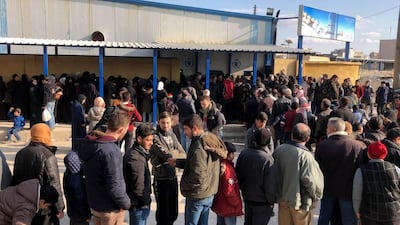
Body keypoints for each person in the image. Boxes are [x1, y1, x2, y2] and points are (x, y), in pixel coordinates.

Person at [78, 110, 131, 225]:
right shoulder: (111, 151)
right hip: (110, 208)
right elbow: (114, 185)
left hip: (95, 204)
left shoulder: (92, 145)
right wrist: (126, 203)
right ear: (122, 129)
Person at [177, 114, 227, 225]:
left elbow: (198, 174)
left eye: (186, 129)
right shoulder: (209, 139)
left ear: (194, 129)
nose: (184, 133)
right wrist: (177, 162)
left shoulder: (198, 147)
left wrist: (184, 184)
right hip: (208, 193)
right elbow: (199, 164)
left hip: (198, 195)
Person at [13, 123, 65, 225]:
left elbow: (15, 178)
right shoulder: (48, 156)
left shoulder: (21, 153)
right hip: (44, 206)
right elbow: (54, 184)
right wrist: (59, 207)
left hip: (24, 203)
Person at [315, 117, 364, 225]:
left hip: (328, 188)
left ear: (332, 129)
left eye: (327, 128)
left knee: (324, 218)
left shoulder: (322, 145)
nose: (326, 130)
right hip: (348, 189)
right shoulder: (356, 145)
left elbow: (318, 168)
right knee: (349, 220)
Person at [274, 123, 324, 225]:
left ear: (292, 135)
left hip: (282, 200)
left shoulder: (279, 150)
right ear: (308, 138)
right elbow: (312, 182)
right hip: (301, 203)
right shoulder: (306, 156)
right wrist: (316, 197)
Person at [149, 112, 186, 225]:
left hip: (172, 176)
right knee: (163, 212)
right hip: (161, 178)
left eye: (168, 122)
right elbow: (165, 154)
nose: (165, 125)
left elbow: (183, 153)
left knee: (173, 211)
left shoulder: (172, 135)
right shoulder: (155, 137)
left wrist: (175, 156)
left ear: (172, 122)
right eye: (163, 123)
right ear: (158, 122)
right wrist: (175, 155)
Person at [353, 141, 400, 225]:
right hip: (393, 213)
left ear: (368, 154)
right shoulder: (395, 169)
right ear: (385, 154)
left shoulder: (361, 171)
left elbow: (357, 193)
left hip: (370, 213)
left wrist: (357, 211)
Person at [236, 128, 275, 225]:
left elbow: (238, 175)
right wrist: (271, 200)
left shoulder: (244, 154)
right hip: (262, 202)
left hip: (247, 197)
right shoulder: (267, 159)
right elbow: (269, 185)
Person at [124, 125, 154, 225]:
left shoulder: (139, 153)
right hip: (139, 205)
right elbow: (138, 187)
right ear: (139, 139)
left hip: (138, 203)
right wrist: (146, 200)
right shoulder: (135, 158)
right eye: (148, 140)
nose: (151, 143)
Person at [211, 141, 242, 225]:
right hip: (229, 206)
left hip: (220, 204)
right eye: (233, 153)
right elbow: (229, 191)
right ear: (228, 154)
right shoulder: (228, 169)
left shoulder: (219, 164)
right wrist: (236, 203)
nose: (234, 156)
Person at [63, 151, 91, 225]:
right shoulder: (77, 181)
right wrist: (86, 215)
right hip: (81, 215)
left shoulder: (68, 174)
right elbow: (80, 200)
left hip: (72, 212)